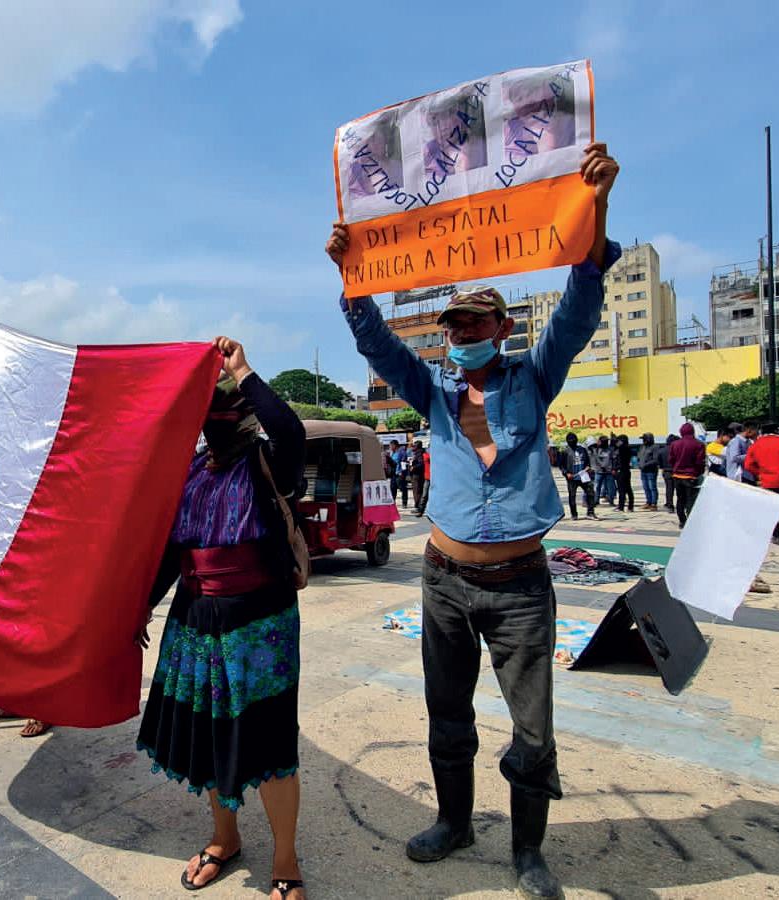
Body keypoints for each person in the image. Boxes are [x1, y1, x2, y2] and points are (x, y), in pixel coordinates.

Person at [329, 142, 620, 899]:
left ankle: (528, 853)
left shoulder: (535, 376)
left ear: (503, 323)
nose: (463, 335)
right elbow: (375, 341)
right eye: (455, 327)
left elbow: (580, 308)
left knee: (533, 728)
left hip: (521, 587)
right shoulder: (432, 393)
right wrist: (350, 276)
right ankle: (453, 823)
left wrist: (595, 205)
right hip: (444, 583)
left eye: (475, 322)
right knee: (447, 713)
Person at [137, 336, 307, 900]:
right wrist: (144, 604)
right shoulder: (190, 471)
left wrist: (244, 371)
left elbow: (290, 431)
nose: (216, 423)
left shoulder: (268, 462)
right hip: (195, 619)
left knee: (270, 743)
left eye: (227, 408)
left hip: (260, 625)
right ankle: (224, 838)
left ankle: (285, 861)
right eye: (207, 414)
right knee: (212, 736)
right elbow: (173, 549)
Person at [667, 423, 706, 528]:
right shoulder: (699, 444)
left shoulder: (674, 444)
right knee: (690, 500)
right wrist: (698, 472)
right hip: (691, 476)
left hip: (677, 476)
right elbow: (700, 462)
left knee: (680, 499)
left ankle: (682, 521)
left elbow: (671, 460)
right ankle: (690, 521)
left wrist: (676, 467)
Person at [557, 433, 598, 520]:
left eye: (574, 440)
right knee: (572, 496)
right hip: (572, 478)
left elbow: (587, 461)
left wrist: (588, 467)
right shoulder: (565, 451)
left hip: (583, 476)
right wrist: (566, 473)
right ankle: (574, 514)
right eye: (570, 441)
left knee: (590, 493)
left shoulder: (582, 449)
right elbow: (561, 465)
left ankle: (590, 512)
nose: (572, 442)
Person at [637, 433, 660, 510]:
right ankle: (648, 502)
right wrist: (639, 463)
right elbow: (639, 456)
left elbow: (656, 460)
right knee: (645, 487)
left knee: (652, 487)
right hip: (643, 471)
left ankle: (654, 504)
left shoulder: (655, 447)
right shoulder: (642, 447)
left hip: (651, 471)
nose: (643, 441)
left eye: (644, 439)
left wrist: (645, 464)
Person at [613, 435, 635, 513]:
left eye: (619, 441)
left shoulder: (622, 449)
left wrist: (614, 440)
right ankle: (630, 506)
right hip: (626, 471)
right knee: (628, 489)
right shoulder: (628, 448)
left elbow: (619, 459)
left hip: (621, 471)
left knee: (621, 490)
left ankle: (621, 507)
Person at [593, 435, 615, 505]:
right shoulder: (596, 449)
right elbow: (596, 460)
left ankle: (611, 500)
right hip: (599, 471)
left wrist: (613, 469)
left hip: (609, 471)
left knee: (610, 487)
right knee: (597, 487)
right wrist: (601, 466)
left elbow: (613, 459)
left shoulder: (610, 449)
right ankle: (596, 500)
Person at [657, 434, 676, 512]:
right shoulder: (677, 449)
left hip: (666, 471)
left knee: (669, 489)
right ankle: (682, 504)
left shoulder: (662, 450)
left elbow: (659, 462)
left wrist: (663, 467)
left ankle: (670, 505)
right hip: (676, 471)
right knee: (679, 489)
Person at [409, 439, 427, 514]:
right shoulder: (420, 452)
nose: (413, 447)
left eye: (414, 446)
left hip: (417, 475)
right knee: (418, 491)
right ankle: (419, 506)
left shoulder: (419, 453)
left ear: (417, 446)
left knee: (417, 491)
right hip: (418, 474)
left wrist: (414, 467)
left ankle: (417, 507)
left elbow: (421, 463)